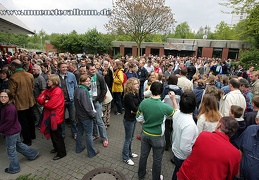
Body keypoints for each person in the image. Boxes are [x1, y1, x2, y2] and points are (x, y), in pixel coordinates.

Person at [136, 81, 179, 180]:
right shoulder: (164, 107)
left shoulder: (144, 102)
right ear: (161, 91)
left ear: (151, 90)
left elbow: (138, 118)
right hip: (158, 137)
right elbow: (177, 114)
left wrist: (146, 125)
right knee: (157, 160)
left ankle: (141, 174)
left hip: (145, 134)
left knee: (143, 156)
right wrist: (173, 100)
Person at [177, 117, 241, 180]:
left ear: (219, 125)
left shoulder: (203, 135)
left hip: (186, 175)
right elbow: (233, 173)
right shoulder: (235, 153)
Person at [0, 89, 39, 174]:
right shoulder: (6, 106)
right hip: (15, 130)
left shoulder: (9, 108)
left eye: (5, 97)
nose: (3, 98)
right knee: (18, 145)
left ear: (9, 97)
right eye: (1, 96)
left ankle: (14, 168)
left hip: (11, 132)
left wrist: (1, 129)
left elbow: (8, 123)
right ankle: (33, 154)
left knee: (11, 150)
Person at [37, 74, 66, 160]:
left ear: (54, 82)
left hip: (56, 117)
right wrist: (46, 101)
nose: (47, 82)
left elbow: (51, 105)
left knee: (57, 135)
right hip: (50, 116)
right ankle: (56, 148)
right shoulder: (48, 90)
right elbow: (39, 99)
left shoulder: (57, 91)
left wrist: (45, 101)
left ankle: (62, 153)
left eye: (49, 80)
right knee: (53, 135)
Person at [8, 59, 36, 146]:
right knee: (30, 119)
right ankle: (33, 135)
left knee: (23, 122)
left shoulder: (13, 78)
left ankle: (27, 140)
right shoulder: (30, 75)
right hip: (30, 101)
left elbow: (11, 93)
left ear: (13, 67)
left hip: (20, 103)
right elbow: (32, 87)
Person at [171, 91, 198, 180]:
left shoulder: (177, 113)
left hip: (176, 149)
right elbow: (184, 147)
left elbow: (176, 109)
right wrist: (192, 156)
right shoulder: (190, 125)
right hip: (182, 156)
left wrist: (173, 100)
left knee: (176, 172)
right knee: (179, 174)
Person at [74, 75, 99, 158]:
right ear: (81, 82)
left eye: (89, 81)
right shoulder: (84, 91)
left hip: (80, 115)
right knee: (89, 134)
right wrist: (93, 114)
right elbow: (87, 107)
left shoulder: (77, 89)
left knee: (79, 131)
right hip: (86, 117)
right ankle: (91, 152)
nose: (89, 82)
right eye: (86, 81)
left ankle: (79, 148)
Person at [86, 64, 108, 147]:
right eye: (91, 69)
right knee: (92, 119)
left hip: (97, 101)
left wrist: (100, 100)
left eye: (94, 69)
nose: (93, 71)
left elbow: (104, 88)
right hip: (89, 102)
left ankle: (105, 138)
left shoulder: (99, 76)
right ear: (87, 70)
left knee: (99, 120)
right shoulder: (85, 77)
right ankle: (96, 134)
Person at [57, 61, 78, 139]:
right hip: (61, 102)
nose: (65, 68)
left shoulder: (71, 75)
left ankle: (75, 133)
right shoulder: (55, 76)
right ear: (58, 68)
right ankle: (62, 133)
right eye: (63, 67)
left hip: (71, 100)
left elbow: (75, 87)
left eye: (66, 67)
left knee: (72, 118)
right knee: (61, 119)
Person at [122, 77, 141, 166]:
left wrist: (135, 110)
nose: (137, 85)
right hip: (128, 119)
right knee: (128, 139)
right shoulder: (128, 96)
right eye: (135, 84)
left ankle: (129, 153)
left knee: (131, 138)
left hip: (133, 118)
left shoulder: (135, 93)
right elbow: (134, 108)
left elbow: (139, 106)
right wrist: (135, 110)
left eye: (137, 83)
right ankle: (125, 157)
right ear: (130, 85)